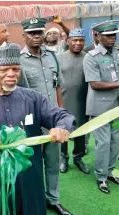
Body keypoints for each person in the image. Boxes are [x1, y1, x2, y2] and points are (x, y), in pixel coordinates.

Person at [0, 43, 75, 215]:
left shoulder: (33, 98)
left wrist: (61, 128)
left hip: (30, 178)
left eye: (16, 69)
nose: (11, 75)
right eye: (4, 70)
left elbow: (63, 116)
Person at [18, 17, 72, 215]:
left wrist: (61, 112)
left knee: (52, 163)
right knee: (32, 165)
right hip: (31, 123)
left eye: (39, 32)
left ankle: (53, 199)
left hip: (52, 122)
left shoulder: (52, 56)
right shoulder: (19, 60)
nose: (36, 36)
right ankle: (37, 197)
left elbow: (57, 85)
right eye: (31, 33)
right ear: (24, 35)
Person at [83, 20, 119, 194]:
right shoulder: (91, 57)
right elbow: (95, 83)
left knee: (116, 140)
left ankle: (110, 170)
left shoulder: (117, 53)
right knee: (103, 143)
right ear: (97, 36)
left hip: (116, 109)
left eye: (114, 35)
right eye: (109, 35)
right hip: (100, 109)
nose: (113, 38)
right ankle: (101, 177)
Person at [58, 28, 89, 174]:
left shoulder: (88, 57)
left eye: (81, 40)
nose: (78, 43)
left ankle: (78, 158)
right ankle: (63, 158)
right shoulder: (58, 58)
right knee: (63, 129)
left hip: (83, 100)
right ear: (68, 41)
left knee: (81, 131)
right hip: (63, 100)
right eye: (74, 40)